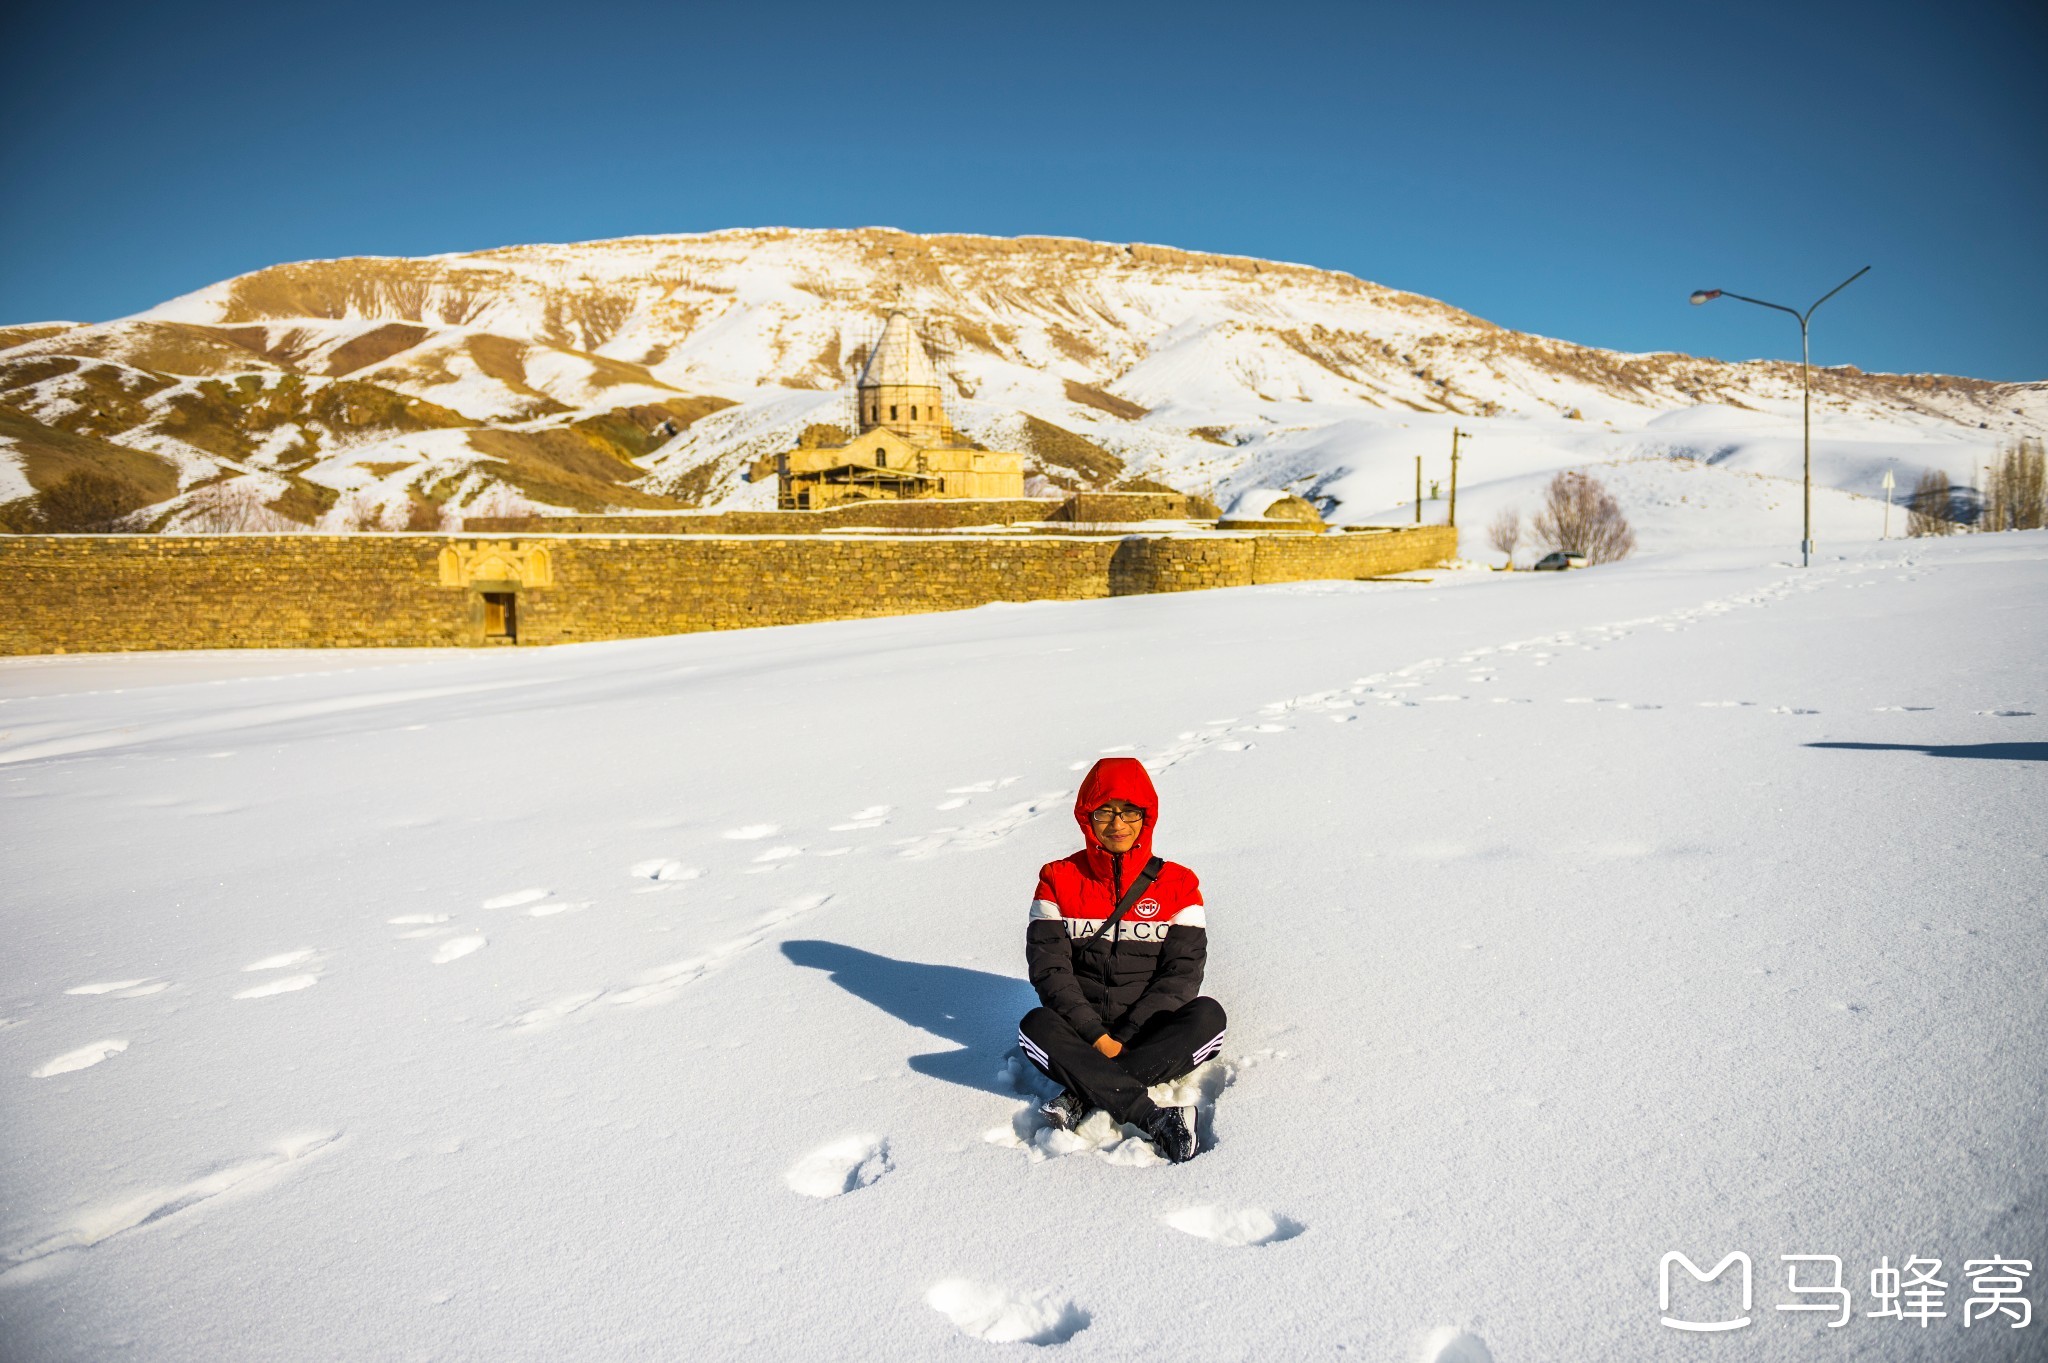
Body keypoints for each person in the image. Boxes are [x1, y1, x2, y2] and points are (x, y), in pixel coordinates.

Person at [1016, 757, 1226, 1163]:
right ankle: (1154, 1118)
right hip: (1080, 1035)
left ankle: (1082, 1093)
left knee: (1208, 1018)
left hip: (1149, 1031)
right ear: (1086, 816)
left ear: (1146, 817)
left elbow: (1181, 975)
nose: (1117, 823)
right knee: (1034, 1026)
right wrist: (1096, 1037)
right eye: (1105, 811)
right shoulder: (1057, 879)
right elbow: (1050, 970)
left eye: (1130, 811)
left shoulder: (1180, 885)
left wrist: (1123, 1038)